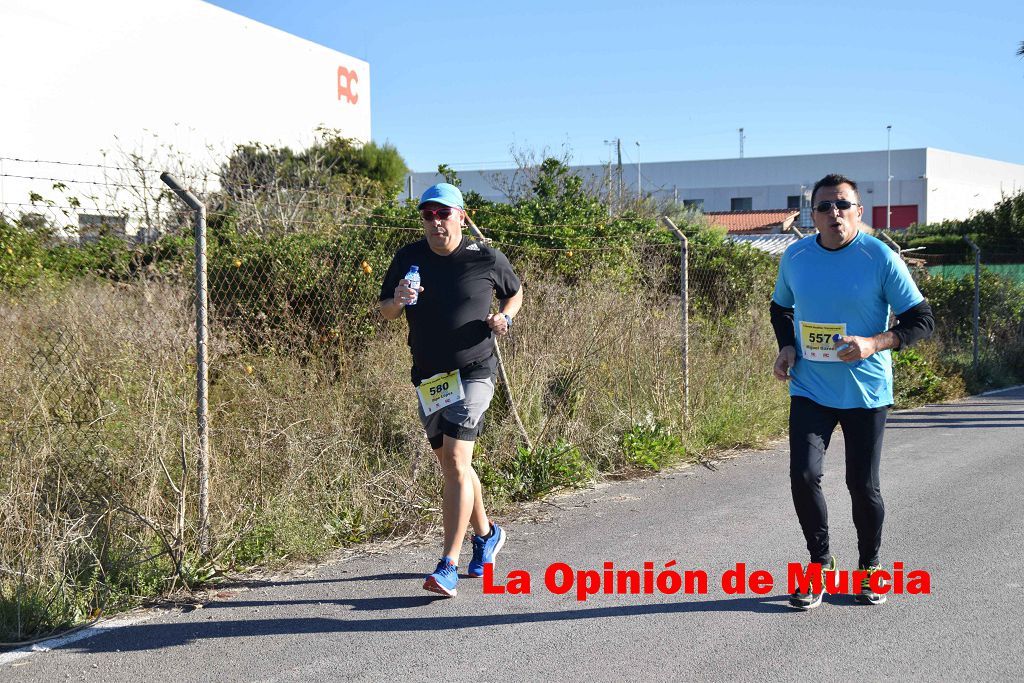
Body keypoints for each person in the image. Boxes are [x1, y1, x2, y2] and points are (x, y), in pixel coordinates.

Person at [770, 173, 934, 610]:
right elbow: (780, 307)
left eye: (842, 205)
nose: (833, 213)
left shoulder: (880, 258)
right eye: (824, 207)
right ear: (813, 215)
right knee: (803, 475)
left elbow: (921, 320)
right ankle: (819, 564)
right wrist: (787, 345)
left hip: (865, 391)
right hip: (810, 386)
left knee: (862, 485)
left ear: (859, 212)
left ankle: (870, 566)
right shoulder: (797, 256)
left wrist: (873, 343)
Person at [379, 182, 523, 597]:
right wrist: (399, 301)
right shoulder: (408, 258)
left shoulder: (486, 257)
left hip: (476, 371)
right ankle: (488, 534)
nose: (435, 222)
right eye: (428, 214)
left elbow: (514, 293)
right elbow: (385, 309)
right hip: (430, 378)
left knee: (458, 459)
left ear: (462, 215)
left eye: (444, 214)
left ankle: (447, 565)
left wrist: (505, 318)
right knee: (452, 466)